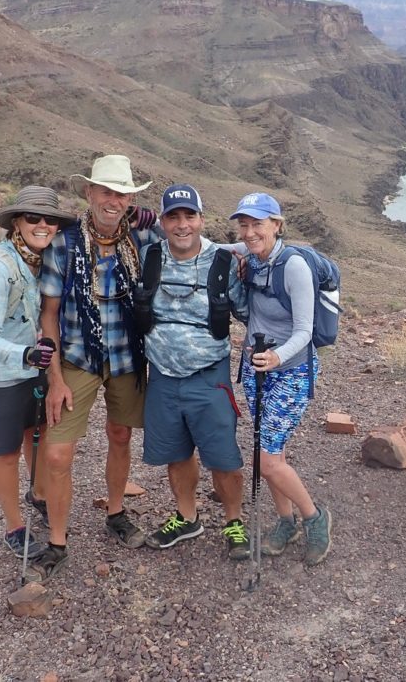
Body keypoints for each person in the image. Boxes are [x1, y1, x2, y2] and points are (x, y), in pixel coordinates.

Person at [25, 155, 156, 583]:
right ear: (89, 193)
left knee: (120, 435)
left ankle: (115, 512)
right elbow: (49, 313)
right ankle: (58, 540)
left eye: (122, 194)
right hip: (78, 359)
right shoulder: (64, 243)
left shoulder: (140, 237)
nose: (113, 201)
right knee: (59, 451)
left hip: (125, 357)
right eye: (106, 191)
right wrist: (56, 376)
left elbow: (189, 242)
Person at [139, 184, 251, 560]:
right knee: (176, 452)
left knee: (223, 455)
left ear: (202, 220)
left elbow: (250, 312)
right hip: (163, 377)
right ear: (162, 221)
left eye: (190, 216)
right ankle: (187, 517)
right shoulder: (148, 257)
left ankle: (234, 520)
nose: (182, 225)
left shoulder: (223, 263)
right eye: (174, 216)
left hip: (209, 375)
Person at [0, 185, 75, 560]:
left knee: (38, 433)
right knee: (8, 452)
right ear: (17, 221)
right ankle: (14, 527)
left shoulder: (38, 259)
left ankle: (39, 493)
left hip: (32, 367)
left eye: (51, 220)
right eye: (33, 218)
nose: (43, 225)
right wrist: (28, 354)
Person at [229, 192, 332, 566]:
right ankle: (285, 523)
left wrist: (276, 356)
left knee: (268, 460)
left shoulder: (294, 266)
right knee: (271, 452)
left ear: (277, 224)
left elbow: (304, 330)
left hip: (292, 371)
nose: (250, 232)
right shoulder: (250, 255)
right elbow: (203, 245)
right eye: (244, 225)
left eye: (258, 224)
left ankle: (314, 518)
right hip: (257, 369)